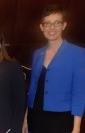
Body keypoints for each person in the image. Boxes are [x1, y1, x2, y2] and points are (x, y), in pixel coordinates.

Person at [23, 5, 85, 133]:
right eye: (47, 23)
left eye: (57, 23)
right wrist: (25, 118)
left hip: (61, 118)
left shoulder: (79, 54)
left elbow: (79, 93)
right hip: (35, 116)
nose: (52, 28)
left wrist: (76, 127)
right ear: (41, 27)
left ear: (64, 25)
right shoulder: (37, 53)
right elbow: (33, 90)